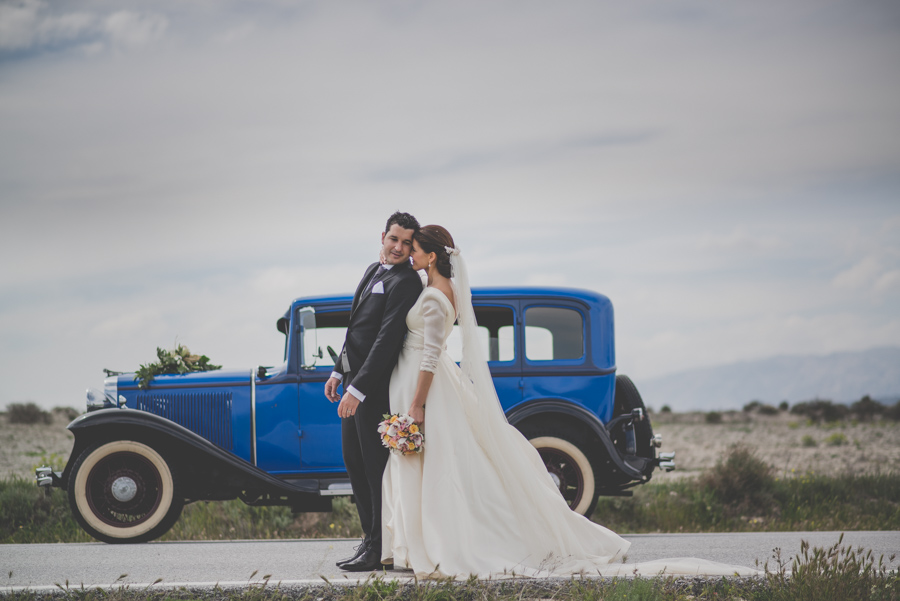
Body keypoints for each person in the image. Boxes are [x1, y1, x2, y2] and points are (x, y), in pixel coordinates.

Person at [380, 225, 762, 579]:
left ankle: (437, 543)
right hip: (444, 385)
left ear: (431, 255)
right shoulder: (445, 291)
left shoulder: (432, 296)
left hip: (431, 387)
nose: (407, 253)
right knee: (448, 467)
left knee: (441, 468)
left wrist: (416, 404)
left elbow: (430, 355)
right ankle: (427, 539)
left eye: (413, 249)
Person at [325, 211, 423, 572]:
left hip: (375, 389)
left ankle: (380, 547)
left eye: (406, 243)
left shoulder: (407, 282)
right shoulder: (373, 270)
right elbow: (356, 328)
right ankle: (369, 539)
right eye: (393, 239)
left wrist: (359, 389)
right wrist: (338, 370)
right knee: (354, 463)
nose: (398, 247)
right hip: (352, 380)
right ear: (383, 237)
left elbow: (386, 340)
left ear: (413, 247)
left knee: (374, 469)